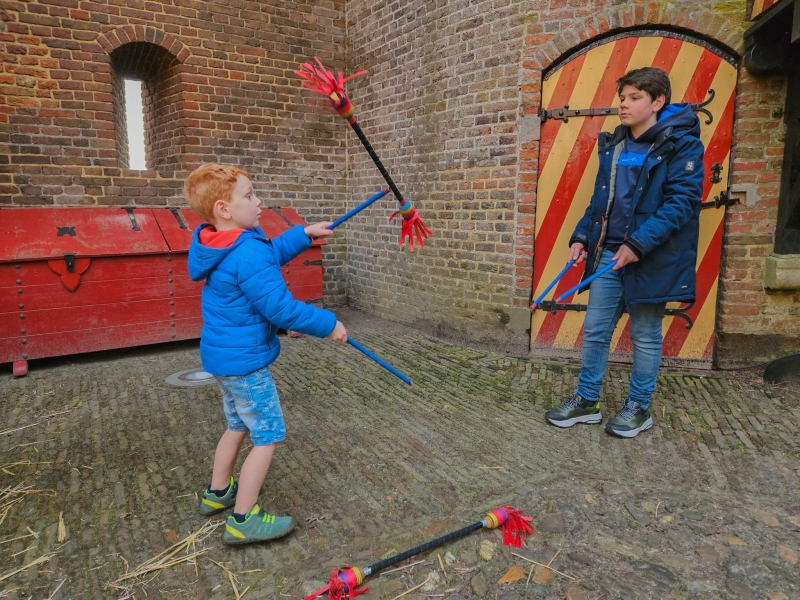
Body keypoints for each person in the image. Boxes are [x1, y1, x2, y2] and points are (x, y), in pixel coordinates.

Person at [186, 164, 348, 544]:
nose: (259, 202)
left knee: (237, 424)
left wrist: (304, 234)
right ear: (224, 209)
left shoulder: (220, 243)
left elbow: (267, 256)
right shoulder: (247, 253)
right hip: (246, 364)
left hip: (223, 360)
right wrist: (329, 324)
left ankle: (218, 492)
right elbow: (281, 308)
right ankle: (243, 519)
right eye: (250, 195)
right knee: (268, 434)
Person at [544, 67, 704, 438]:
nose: (624, 105)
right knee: (596, 330)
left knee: (645, 334)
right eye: (623, 97)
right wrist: (582, 236)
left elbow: (681, 203)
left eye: (634, 98)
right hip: (608, 254)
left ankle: (639, 407)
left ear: (658, 101)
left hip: (650, 257)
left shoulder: (681, 144)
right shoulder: (616, 143)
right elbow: (602, 200)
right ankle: (587, 401)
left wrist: (638, 244)